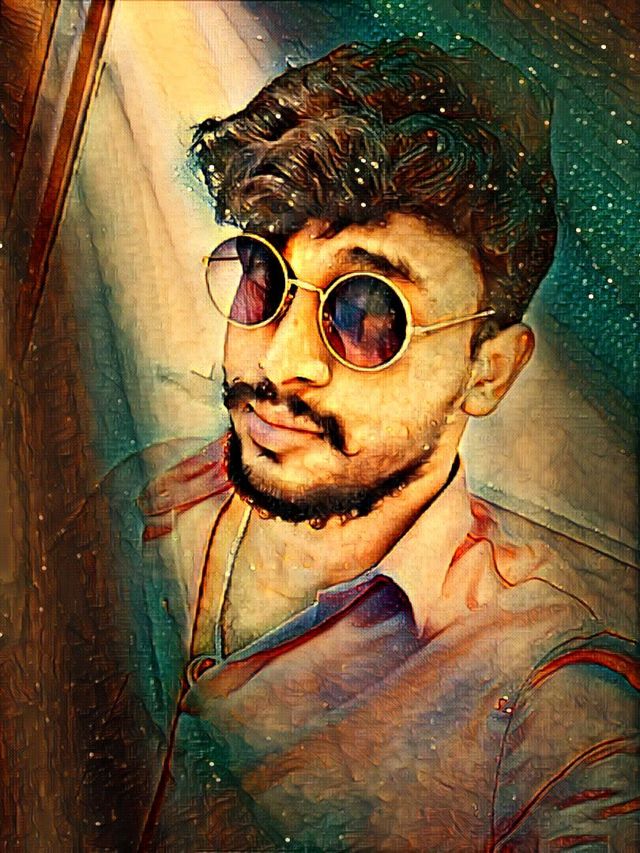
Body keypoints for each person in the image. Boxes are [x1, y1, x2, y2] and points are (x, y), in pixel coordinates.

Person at [56, 38, 638, 850]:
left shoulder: (551, 704)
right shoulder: (139, 503)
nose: (280, 360)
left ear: (489, 370)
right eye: (263, 277)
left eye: (366, 314)